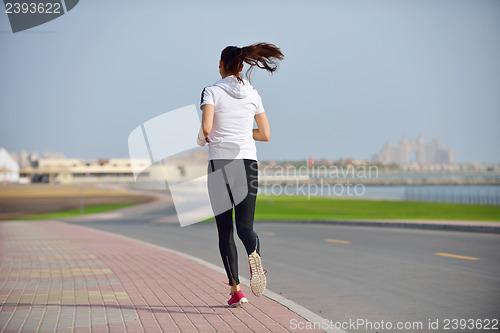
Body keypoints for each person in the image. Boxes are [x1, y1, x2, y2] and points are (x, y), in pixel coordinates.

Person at [197, 43, 283, 307]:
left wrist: (203, 136)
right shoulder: (253, 94)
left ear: (221, 65)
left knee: (225, 231)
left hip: (220, 164)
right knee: (246, 228)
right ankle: (254, 252)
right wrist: (244, 133)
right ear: (243, 66)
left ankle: (236, 290)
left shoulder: (211, 91)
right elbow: (265, 135)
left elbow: (207, 128)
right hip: (247, 163)